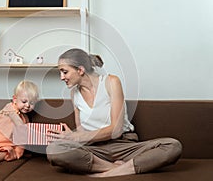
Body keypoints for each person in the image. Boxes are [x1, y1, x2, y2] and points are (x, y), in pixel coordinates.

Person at [46, 48, 182, 177]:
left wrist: (79, 137)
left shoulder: (111, 82)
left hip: (122, 145)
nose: (61, 77)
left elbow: (116, 130)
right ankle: (115, 169)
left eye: (64, 72)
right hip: (95, 150)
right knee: (53, 150)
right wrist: (72, 137)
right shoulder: (74, 94)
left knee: (172, 146)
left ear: (80, 70)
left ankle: (113, 169)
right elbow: (82, 132)